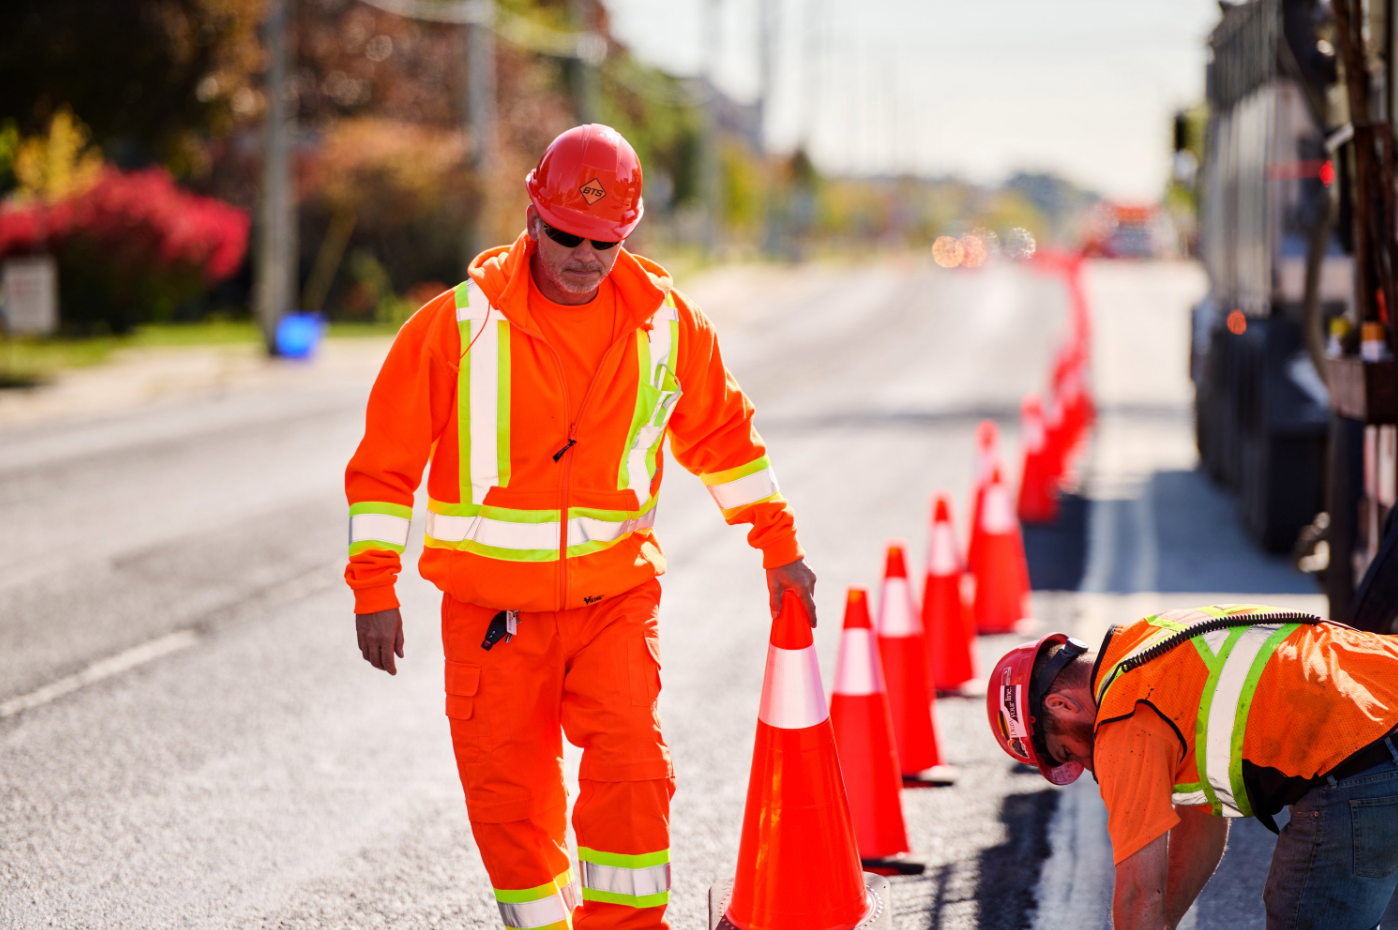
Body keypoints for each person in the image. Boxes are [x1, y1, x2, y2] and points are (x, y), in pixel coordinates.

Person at [343, 123, 815, 930]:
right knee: (510, 804)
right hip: (493, 619)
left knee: (632, 772)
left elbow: (725, 441)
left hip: (613, 601)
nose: (583, 255)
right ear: (532, 217)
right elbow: (386, 467)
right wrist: (373, 588)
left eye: (605, 240)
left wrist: (780, 546)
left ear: (627, 235)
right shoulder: (456, 328)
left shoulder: (669, 327)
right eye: (566, 233)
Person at [986, 605, 1398, 930]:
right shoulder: (1151, 641)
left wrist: (1149, 915)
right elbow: (1201, 822)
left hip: (1359, 764)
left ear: (1061, 705)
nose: (1083, 762)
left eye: (1065, 751)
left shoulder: (1124, 719)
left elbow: (1138, 894)